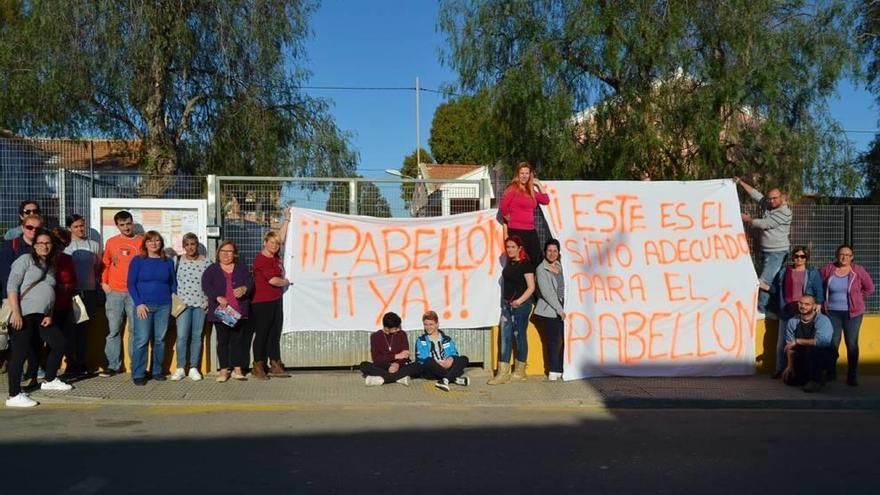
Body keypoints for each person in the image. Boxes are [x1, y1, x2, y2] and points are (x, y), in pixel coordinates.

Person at [5, 230, 72, 407]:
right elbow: (12, 287)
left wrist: (49, 314)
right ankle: (14, 395)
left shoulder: (50, 265)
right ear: (34, 246)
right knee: (19, 354)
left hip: (43, 316)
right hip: (24, 314)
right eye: (40, 243)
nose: (45, 246)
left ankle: (49, 379)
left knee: (59, 343)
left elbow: (50, 292)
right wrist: (17, 313)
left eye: (48, 243)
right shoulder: (24, 260)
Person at [819, 244, 875, 386]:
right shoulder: (828, 269)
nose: (844, 257)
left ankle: (852, 375)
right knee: (832, 343)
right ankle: (831, 373)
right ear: (837, 255)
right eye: (841, 254)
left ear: (852, 257)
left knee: (851, 344)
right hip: (831, 312)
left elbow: (870, 288)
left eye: (847, 255)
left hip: (853, 314)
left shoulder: (858, 270)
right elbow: (818, 285)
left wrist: (858, 298)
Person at [734, 177, 792, 313]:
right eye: (769, 198)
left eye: (775, 198)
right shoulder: (769, 204)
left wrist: (748, 219)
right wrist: (741, 183)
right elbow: (757, 196)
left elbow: (765, 224)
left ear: (781, 197)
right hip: (766, 251)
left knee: (763, 282)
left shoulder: (784, 212)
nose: (771, 201)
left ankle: (761, 310)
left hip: (777, 253)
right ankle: (773, 309)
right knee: (772, 281)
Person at [127, 231, 176, 385]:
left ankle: (156, 370)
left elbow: (173, 283)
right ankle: (138, 373)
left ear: (161, 243)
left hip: (164, 305)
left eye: (157, 241)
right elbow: (131, 284)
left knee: (160, 340)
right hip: (144, 306)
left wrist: (174, 298)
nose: (154, 244)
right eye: (150, 241)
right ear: (145, 244)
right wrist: (139, 303)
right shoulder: (138, 260)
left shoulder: (168, 261)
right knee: (141, 340)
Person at [768, 246, 824, 379]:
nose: (799, 259)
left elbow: (819, 291)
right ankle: (780, 369)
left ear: (806, 258)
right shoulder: (784, 271)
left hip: (804, 313)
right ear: (793, 257)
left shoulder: (812, 273)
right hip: (787, 310)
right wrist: (764, 287)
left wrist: (818, 303)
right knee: (782, 343)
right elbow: (776, 289)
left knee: (801, 342)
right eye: (796, 256)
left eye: (802, 256)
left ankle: (799, 370)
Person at [202, 240, 253, 382]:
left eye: (229, 251)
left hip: (238, 311)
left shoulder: (242, 269)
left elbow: (250, 283)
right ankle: (223, 370)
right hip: (222, 311)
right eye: (223, 251)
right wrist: (216, 297)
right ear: (218, 253)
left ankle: (237, 369)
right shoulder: (212, 269)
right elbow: (206, 285)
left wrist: (244, 289)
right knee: (223, 340)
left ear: (234, 254)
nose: (226, 254)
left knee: (237, 341)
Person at [100, 210, 143, 376]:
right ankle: (113, 365)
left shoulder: (141, 241)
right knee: (114, 330)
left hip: (135, 293)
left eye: (128, 223)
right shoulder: (111, 242)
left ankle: (136, 366)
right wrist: (104, 283)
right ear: (117, 226)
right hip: (114, 292)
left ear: (132, 223)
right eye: (122, 225)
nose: (126, 227)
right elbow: (105, 264)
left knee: (135, 331)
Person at [0, 213, 44, 378]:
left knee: (34, 337)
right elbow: (5, 276)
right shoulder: (11, 246)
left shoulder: (43, 246)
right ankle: (15, 375)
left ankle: (32, 370)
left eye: (37, 228)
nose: (33, 231)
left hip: (35, 303)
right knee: (15, 338)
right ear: (22, 228)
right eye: (29, 227)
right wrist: (10, 301)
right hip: (14, 299)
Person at [250, 210, 291, 380]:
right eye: (271, 243)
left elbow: (280, 236)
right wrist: (288, 281)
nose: (275, 246)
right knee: (262, 333)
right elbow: (273, 280)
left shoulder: (275, 257)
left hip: (275, 300)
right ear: (265, 242)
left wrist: (287, 219)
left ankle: (274, 363)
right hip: (262, 301)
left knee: (274, 332)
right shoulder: (261, 259)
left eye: (277, 244)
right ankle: (258, 364)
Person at [489, 235, 536, 385]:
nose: (509, 249)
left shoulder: (526, 264)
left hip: (521, 306)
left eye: (512, 247)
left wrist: (519, 301)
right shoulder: (510, 263)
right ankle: (503, 373)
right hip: (506, 305)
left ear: (519, 248)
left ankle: (520, 371)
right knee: (505, 337)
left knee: (519, 336)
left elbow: (531, 287)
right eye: (508, 247)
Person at [64, 214, 102, 374]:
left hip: (90, 292)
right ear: (69, 228)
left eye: (81, 226)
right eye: (76, 227)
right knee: (71, 330)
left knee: (84, 330)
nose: (80, 229)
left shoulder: (94, 245)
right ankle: (71, 364)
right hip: (73, 293)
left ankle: (82, 362)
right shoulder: (66, 247)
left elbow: (98, 267)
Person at [170, 233, 210, 382]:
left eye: (193, 244)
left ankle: (194, 367)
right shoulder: (178, 260)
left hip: (200, 304)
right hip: (182, 305)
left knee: (197, 337)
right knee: (181, 336)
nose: (190, 247)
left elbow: (210, 284)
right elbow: (172, 280)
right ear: (183, 246)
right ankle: (180, 367)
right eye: (187, 244)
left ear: (197, 245)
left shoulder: (207, 262)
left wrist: (209, 301)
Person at [499, 161, 550, 269]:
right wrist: (511, 219)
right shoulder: (513, 188)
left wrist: (538, 184)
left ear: (530, 174)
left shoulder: (530, 190)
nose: (524, 176)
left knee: (537, 259)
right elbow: (503, 206)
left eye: (527, 173)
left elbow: (546, 200)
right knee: (520, 260)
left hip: (530, 230)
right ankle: (520, 284)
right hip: (517, 230)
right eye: (522, 173)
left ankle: (535, 284)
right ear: (518, 174)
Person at [782, 295, 834, 393]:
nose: (803, 306)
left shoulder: (822, 320)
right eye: (801, 303)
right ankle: (810, 377)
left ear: (814, 306)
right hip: (803, 355)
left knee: (814, 349)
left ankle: (817, 379)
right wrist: (790, 366)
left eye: (807, 304)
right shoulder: (793, 321)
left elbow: (822, 342)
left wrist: (797, 341)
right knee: (790, 380)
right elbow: (789, 345)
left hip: (822, 355)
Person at [360, 311, 421, 386]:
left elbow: (405, 355)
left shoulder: (402, 334)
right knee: (364, 365)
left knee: (417, 366)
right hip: (383, 366)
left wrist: (397, 364)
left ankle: (382, 379)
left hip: (399, 366)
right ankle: (399, 378)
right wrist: (396, 356)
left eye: (399, 327)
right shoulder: (375, 336)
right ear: (386, 328)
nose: (398, 329)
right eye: (395, 328)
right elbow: (376, 358)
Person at [534, 239, 565, 381]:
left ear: (558, 253)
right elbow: (547, 293)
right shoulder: (541, 269)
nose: (552, 254)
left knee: (564, 340)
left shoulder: (562, 266)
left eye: (555, 251)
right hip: (549, 310)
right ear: (545, 252)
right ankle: (553, 369)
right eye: (549, 251)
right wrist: (559, 309)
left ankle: (560, 368)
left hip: (563, 308)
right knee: (553, 341)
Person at [415, 310, 470, 391]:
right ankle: (453, 378)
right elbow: (421, 358)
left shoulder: (446, 339)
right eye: (425, 324)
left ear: (437, 324)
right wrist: (438, 363)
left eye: (431, 324)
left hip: (446, 366)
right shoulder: (421, 340)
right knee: (428, 361)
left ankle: (445, 380)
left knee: (464, 358)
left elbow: (454, 353)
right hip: (431, 370)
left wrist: (450, 359)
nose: (428, 327)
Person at [49, 227, 78, 376]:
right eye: (59, 243)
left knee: (65, 338)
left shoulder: (67, 259)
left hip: (63, 304)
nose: (61, 247)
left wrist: (66, 286)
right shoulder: (45, 258)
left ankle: (64, 368)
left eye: (65, 244)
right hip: (46, 306)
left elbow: (73, 280)